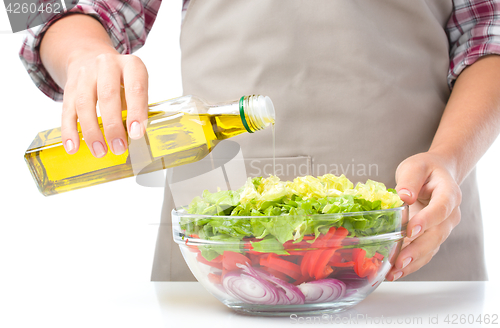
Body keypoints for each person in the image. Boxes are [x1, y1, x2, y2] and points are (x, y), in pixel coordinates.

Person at [20, 0, 500, 281]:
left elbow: (489, 40)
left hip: (416, 241)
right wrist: (85, 53)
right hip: (218, 260)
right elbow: (43, 8)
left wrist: (448, 159)